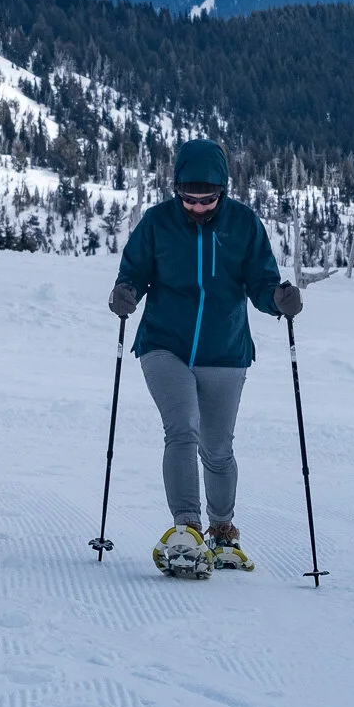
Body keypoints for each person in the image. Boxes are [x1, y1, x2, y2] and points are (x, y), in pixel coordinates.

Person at [108, 139, 301, 578]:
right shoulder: (158, 223)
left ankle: (222, 533)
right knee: (182, 429)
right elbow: (134, 271)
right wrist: (126, 293)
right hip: (163, 343)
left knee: (217, 448)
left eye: (206, 199)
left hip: (225, 349)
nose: (196, 207)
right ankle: (187, 530)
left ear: (223, 190)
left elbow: (260, 282)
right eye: (188, 199)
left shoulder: (243, 225)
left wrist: (278, 299)